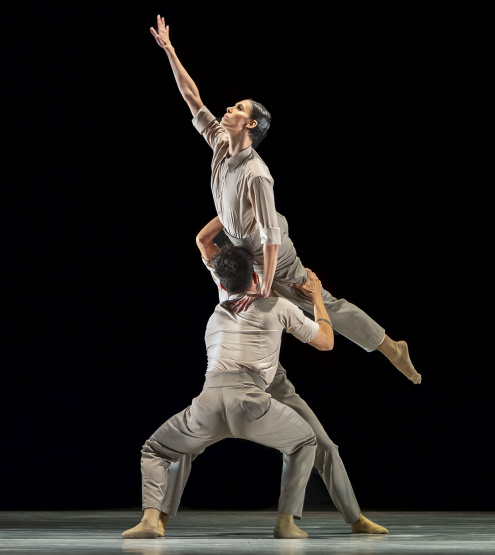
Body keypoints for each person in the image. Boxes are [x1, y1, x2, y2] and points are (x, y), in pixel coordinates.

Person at [149, 15, 421, 383]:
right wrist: (171, 51)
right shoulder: (218, 142)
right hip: (244, 233)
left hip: (267, 246)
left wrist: (265, 282)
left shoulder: (257, 174)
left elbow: (270, 237)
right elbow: (191, 97)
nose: (228, 109)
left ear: (249, 126)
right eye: (232, 106)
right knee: (240, 282)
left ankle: (389, 345)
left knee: (315, 301)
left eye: (238, 109)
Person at [149, 218, 392, 538]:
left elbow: (203, 241)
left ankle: (355, 518)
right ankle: (161, 520)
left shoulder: (235, 278)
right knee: (188, 445)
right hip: (234, 374)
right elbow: (326, 340)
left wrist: (235, 209)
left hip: (269, 376)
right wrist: (233, 209)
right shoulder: (230, 277)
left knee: (324, 445)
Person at [122, 245, 334, 540]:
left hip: (207, 404)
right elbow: (326, 342)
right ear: (257, 279)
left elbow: (202, 241)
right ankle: (286, 522)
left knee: (156, 449)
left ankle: (151, 520)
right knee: (304, 441)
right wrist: (316, 298)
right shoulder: (276, 306)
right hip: (250, 401)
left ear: (222, 284)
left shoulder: (217, 313)